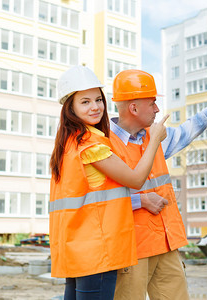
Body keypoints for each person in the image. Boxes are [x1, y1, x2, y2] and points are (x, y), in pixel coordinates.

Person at [109, 69, 207, 300]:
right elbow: (97, 201)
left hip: (165, 242)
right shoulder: (104, 144)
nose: (157, 109)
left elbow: (188, 131)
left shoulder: (153, 136)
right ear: (134, 108)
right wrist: (141, 200)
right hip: (132, 249)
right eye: (153, 103)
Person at [49, 65, 168, 300]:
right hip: (98, 251)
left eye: (98, 99)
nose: (95, 107)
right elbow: (135, 179)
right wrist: (154, 139)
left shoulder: (69, 143)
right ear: (69, 108)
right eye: (84, 102)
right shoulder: (91, 145)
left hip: (76, 248)